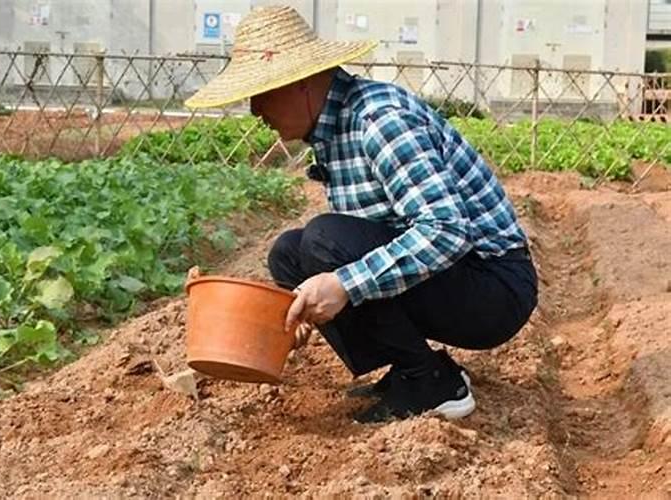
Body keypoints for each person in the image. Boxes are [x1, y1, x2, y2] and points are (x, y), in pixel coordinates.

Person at [186, 6, 538, 423]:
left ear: (298, 83)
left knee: (323, 240)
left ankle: (432, 384)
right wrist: (296, 307)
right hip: (456, 279)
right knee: (290, 253)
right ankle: (411, 368)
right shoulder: (333, 129)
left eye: (261, 93)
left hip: (492, 288)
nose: (255, 110)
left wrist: (344, 284)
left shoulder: (378, 121)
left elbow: (446, 231)